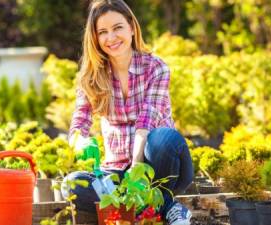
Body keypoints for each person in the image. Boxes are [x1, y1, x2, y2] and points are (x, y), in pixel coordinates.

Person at [62, 1, 194, 224]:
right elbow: (79, 122)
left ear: (132, 27)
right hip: (115, 173)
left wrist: (137, 168)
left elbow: (146, 123)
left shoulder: (155, 68)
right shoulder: (92, 76)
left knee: (162, 138)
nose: (111, 38)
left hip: (159, 165)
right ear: (95, 38)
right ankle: (160, 208)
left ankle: (146, 202)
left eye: (117, 28)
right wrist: (80, 142)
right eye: (102, 32)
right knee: (72, 184)